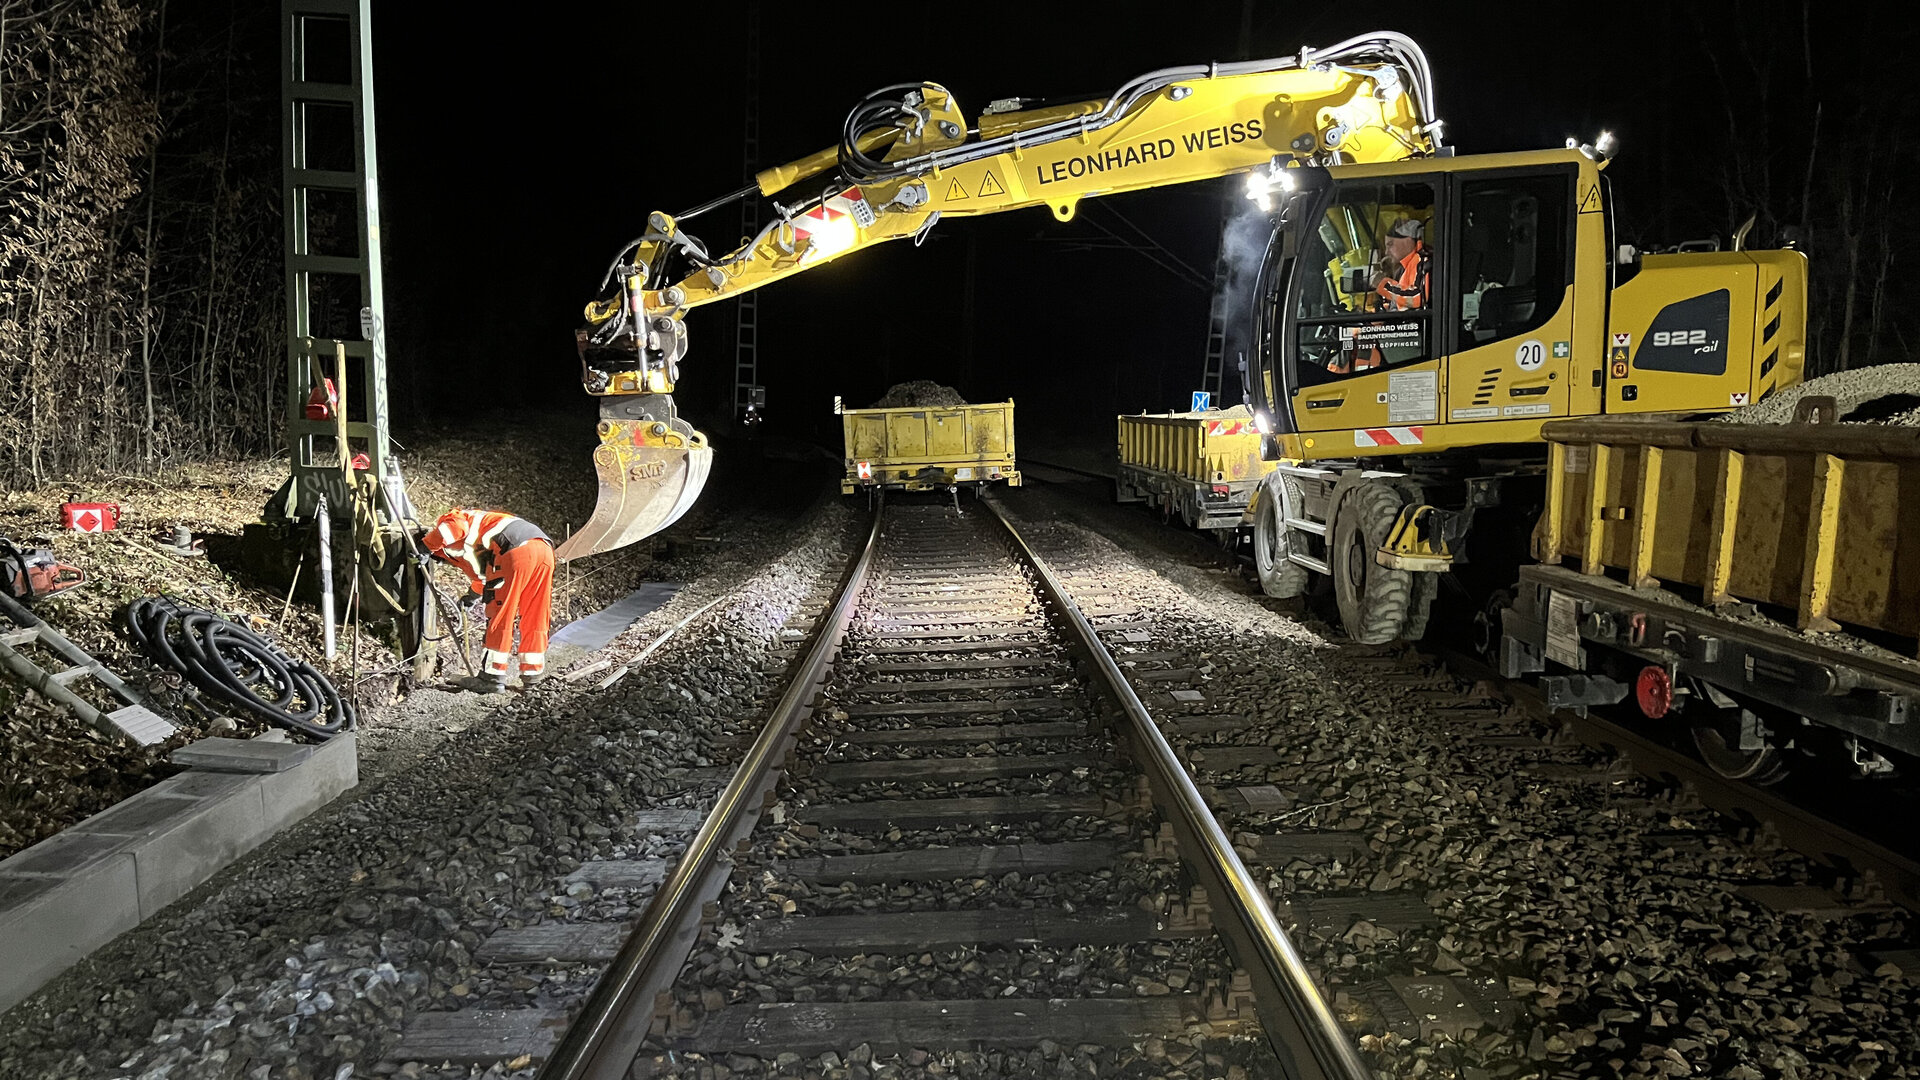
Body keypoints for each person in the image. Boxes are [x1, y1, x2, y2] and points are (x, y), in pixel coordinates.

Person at [421, 507, 554, 693]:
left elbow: (454, 527)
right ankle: (533, 676)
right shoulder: (480, 540)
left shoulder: (454, 518)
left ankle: (491, 677)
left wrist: (425, 546)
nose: (443, 561)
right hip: (543, 549)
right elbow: (485, 576)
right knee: (536, 612)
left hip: (513, 551)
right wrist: (471, 596)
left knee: (500, 615)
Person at [1328, 216, 1432, 374]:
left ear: (1408, 240)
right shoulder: (1402, 268)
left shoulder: (1423, 262)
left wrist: (1381, 283)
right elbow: (1395, 303)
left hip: (1415, 332)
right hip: (1402, 328)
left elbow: (1416, 298)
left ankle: (1355, 377)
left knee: (1364, 338)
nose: (1387, 250)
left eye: (1390, 245)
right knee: (1355, 333)